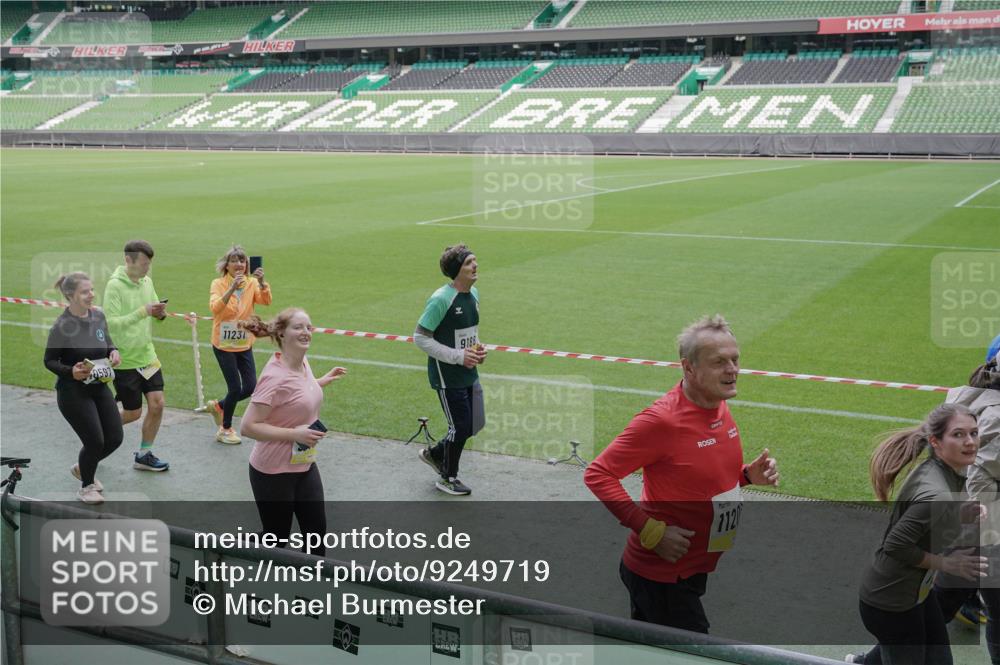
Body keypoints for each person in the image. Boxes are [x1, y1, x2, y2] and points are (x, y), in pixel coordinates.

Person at [583, 314, 778, 633]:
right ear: (689, 368)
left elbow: (696, 476)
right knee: (698, 652)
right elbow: (598, 474)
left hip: (693, 566)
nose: (732, 369)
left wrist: (744, 476)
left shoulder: (716, 404)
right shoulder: (662, 421)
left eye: (735, 359)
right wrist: (651, 531)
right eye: (719, 362)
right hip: (660, 575)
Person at [858, 403, 987, 665]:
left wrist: (962, 514)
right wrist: (946, 563)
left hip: (915, 595)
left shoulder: (938, 469)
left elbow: (927, 523)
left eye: (974, 433)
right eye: (958, 434)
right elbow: (895, 545)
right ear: (935, 442)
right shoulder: (938, 493)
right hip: (891, 603)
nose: (970, 442)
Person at [239, 308, 346, 556]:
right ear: (282, 334)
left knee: (316, 536)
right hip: (272, 471)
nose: (306, 332)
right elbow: (248, 426)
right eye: (298, 327)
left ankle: (312, 592)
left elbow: (295, 394)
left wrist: (320, 381)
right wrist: (294, 435)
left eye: (308, 327)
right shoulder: (274, 377)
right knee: (276, 539)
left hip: (304, 465)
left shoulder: (302, 362)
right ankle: (232, 548)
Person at [413, 244, 486, 496]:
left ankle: (434, 453)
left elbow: (467, 332)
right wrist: (458, 356)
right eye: (469, 263)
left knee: (475, 422)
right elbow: (420, 337)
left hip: (469, 371)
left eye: (474, 261)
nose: (475, 266)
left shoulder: (473, 294)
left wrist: (477, 349)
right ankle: (447, 477)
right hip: (448, 376)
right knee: (460, 426)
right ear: (457, 270)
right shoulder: (441, 299)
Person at [44, 272, 123, 504]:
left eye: (91, 290)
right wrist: (71, 372)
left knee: (115, 437)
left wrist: (113, 351)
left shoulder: (98, 316)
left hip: (99, 386)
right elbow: (49, 361)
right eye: (85, 292)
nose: (91, 295)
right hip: (72, 392)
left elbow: (106, 340)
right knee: (95, 441)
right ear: (70, 295)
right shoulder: (61, 326)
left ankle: (84, 466)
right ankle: (87, 486)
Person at [103, 239, 169, 472]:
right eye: (143, 263)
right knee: (132, 413)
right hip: (125, 362)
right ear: (128, 260)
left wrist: (160, 314)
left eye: (149, 263)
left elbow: (153, 311)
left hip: (147, 357)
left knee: (158, 404)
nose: (147, 268)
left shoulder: (147, 281)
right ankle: (98, 434)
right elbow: (110, 324)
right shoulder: (114, 286)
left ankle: (144, 454)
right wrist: (144, 312)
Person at [206, 245, 271, 445]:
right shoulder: (218, 283)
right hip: (223, 345)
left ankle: (219, 406)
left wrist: (261, 282)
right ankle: (225, 429)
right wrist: (232, 288)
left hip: (244, 343)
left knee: (251, 386)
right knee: (234, 387)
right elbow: (215, 309)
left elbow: (266, 301)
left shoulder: (251, 283)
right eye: (234, 261)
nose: (239, 264)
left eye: (242, 261)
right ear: (227, 265)